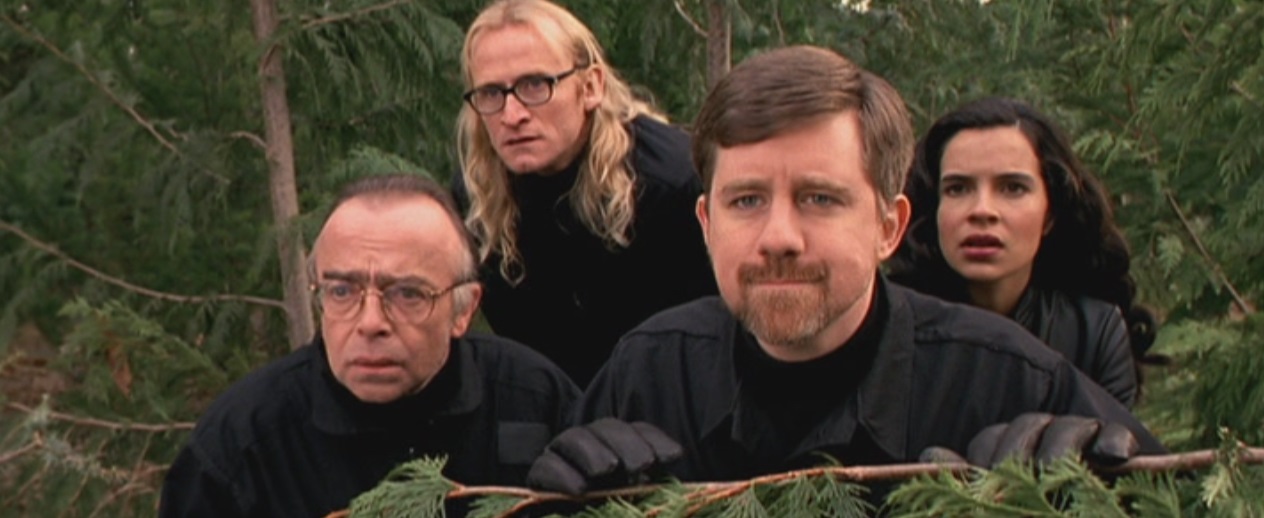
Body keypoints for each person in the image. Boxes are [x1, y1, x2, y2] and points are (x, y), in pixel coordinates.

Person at [524, 46, 1166, 495]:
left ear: (888, 226)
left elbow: (1180, 496)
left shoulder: (1005, 382)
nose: (779, 238)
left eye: (819, 198)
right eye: (746, 201)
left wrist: (1103, 494)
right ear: (706, 223)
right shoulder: (650, 377)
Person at [160, 174, 580, 517]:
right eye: (342, 291)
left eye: (408, 294)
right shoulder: (243, 445)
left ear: (464, 309)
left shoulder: (532, 400)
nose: (371, 323)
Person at [452, 0, 716, 386]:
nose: (512, 115)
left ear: (591, 87)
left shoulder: (672, 187)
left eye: (535, 85)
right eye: (491, 93)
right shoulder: (478, 199)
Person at [886, 97, 1155, 407]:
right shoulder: (887, 330)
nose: (982, 210)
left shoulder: (1093, 332)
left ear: (1050, 213)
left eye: (1012, 188)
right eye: (957, 188)